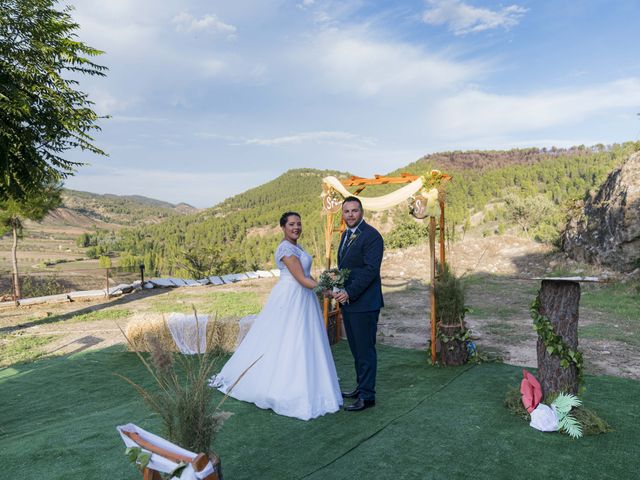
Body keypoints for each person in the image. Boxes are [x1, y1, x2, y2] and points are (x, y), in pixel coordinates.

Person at [210, 212, 342, 420]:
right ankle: (284, 385)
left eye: (299, 223)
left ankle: (309, 380)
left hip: (305, 298)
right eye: (291, 224)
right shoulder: (285, 249)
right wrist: (328, 291)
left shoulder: (298, 247)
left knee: (304, 339)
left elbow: (308, 275)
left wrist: (324, 288)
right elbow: (300, 279)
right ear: (283, 227)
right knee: (289, 338)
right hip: (292, 297)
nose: (296, 227)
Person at [334, 196, 384, 412]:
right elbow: (348, 268)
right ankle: (360, 386)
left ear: (361, 212)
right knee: (356, 349)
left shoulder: (372, 236)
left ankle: (367, 396)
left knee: (365, 350)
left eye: (355, 211)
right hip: (350, 303)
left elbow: (370, 271)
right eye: (347, 211)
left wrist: (348, 292)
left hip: (364, 303)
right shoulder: (346, 234)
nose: (351, 215)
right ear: (343, 214)